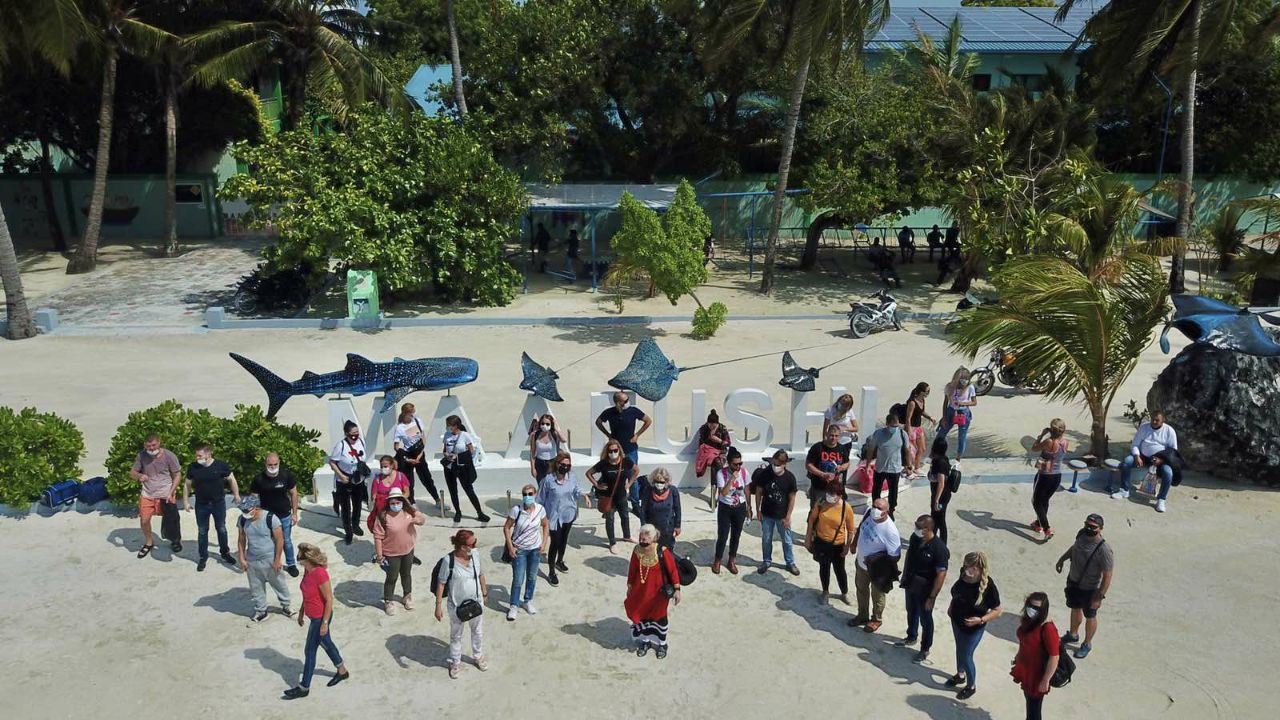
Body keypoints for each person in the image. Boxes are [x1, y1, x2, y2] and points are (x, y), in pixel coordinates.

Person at [284, 543, 349, 699]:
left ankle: (304, 687)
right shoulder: (308, 570)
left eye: (300, 558)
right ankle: (342, 671)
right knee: (327, 643)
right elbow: (307, 594)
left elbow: (329, 600)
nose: (299, 561)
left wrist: (325, 623)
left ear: (308, 559)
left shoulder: (320, 574)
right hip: (313, 616)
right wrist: (301, 612)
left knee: (310, 651)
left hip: (321, 618)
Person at [1055, 513, 1114, 660]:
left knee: (1090, 616)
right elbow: (1074, 548)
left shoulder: (1104, 550)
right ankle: (1073, 634)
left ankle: (1087, 643)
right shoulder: (1081, 535)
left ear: (1101, 529)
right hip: (1074, 582)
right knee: (1075, 608)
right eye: (1087, 525)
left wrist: (1099, 596)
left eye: (1093, 527)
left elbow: (1108, 575)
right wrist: (1063, 558)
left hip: (1091, 589)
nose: (1089, 528)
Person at [947, 551, 1002, 701]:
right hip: (957, 621)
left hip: (973, 628)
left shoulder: (988, 586)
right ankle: (960, 675)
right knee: (959, 649)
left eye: (971, 567)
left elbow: (998, 611)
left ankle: (971, 686)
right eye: (965, 565)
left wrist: (981, 620)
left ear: (980, 568)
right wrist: (951, 607)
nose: (967, 569)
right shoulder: (963, 574)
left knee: (966, 655)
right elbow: (957, 593)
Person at [434, 530, 489, 680]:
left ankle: (478, 656)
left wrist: (484, 592)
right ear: (463, 546)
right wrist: (438, 605)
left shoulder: (476, 555)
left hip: (476, 602)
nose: (475, 546)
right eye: (472, 544)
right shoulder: (448, 561)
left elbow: (481, 574)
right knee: (456, 635)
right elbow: (441, 583)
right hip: (456, 606)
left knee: (477, 631)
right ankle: (455, 661)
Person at [624, 524, 682, 659]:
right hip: (640, 592)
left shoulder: (662, 552)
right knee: (642, 615)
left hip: (658, 594)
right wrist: (630, 586)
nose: (642, 542)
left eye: (644, 539)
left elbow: (673, 571)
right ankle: (645, 642)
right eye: (640, 539)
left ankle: (662, 644)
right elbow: (632, 569)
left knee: (659, 618)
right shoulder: (637, 551)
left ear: (652, 539)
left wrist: (677, 589)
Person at [897, 515, 949, 663]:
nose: (916, 529)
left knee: (926, 619)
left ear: (929, 529)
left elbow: (941, 574)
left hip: (926, 590)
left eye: (919, 527)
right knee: (911, 610)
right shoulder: (915, 538)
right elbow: (909, 556)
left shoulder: (939, 549)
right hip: (911, 583)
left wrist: (932, 597)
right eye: (916, 526)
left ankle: (925, 649)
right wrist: (905, 575)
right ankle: (911, 636)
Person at [184, 443, 240, 571]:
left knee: (221, 528)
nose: (197, 458)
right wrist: (186, 501)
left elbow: (232, 479)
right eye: (196, 456)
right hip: (201, 505)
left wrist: (236, 494)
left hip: (218, 503)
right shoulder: (193, 467)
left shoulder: (220, 465)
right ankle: (203, 556)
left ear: (209, 454)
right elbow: (187, 485)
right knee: (202, 531)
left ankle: (225, 553)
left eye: (200, 455)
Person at [848, 498, 902, 633]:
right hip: (861, 564)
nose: (875, 510)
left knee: (877, 595)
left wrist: (875, 559)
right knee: (861, 590)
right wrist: (854, 544)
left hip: (877, 570)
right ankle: (862, 615)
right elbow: (860, 527)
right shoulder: (868, 513)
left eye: (879, 508)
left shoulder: (890, 531)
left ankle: (876, 619)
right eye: (874, 506)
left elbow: (895, 556)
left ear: (886, 512)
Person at [236, 496, 291, 623]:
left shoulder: (271, 518)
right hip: (252, 560)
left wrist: (277, 560)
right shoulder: (242, 520)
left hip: (270, 558)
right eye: (243, 511)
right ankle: (261, 611)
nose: (245, 514)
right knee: (256, 587)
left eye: (247, 511)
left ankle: (286, 606)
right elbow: (241, 539)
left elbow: (280, 539)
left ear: (256, 508)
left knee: (279, 584)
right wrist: (242, 558)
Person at [538, 451, 588, 586]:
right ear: (557, 464)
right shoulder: (548, 480)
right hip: (553, 517)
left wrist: (584, 496)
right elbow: (540, 499)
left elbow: (576, 490)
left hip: (568, 513)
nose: (565, 467)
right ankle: (551, 571)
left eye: (568, 465)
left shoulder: (572, 477)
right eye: (563, 464)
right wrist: (541, 517)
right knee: (555, 542)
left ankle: (559, 561)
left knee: (564, 539)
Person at [372, 488, 425, 616]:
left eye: (398, 502)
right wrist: (379, 555)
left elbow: (422, 519)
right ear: (389, 503)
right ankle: (388, 600)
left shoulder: (409, 511)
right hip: (391, 553)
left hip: (408, 550)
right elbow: (378, 537)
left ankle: (407, 596)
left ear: (402, 501)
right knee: (392, 577)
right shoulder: (383, 516)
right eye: (393, 503)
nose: (396, 505)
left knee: (406, 574)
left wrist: (418, 520)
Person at [1114, 411, 1178, 512]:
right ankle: (1124, 490)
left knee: (1168, 472)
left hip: (1160, 459)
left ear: (1163, 421)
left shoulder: (1169, 431)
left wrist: (1161, 460)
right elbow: (1135, 444)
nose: (1154, 422)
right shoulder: (1144, 427)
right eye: (1153, 419)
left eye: (1157, 420)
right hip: (1142, 456)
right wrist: (1136, 456)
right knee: (1126, 462)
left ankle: (1161, 499)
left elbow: (1173, 451)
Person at [131, 434, 183, 558]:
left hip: (166, 493)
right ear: (145, 445)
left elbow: (177, 475)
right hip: (148, 493)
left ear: (159, 443)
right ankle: (149, 542)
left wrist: (171, 491)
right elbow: (132, 472)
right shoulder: (141, 456)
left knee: (172, 521)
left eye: (154, 445)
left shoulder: (169, 456)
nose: (151, 448)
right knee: (144, 520)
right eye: (148, 446)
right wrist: (139, 476)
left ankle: (175, 540)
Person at [1011, 591, 1061, 720]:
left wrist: (1045, 680)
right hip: (1026, 671)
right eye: (1030, 606)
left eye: (1037, 608)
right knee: (1030, 705)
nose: (1032, 610)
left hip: (1037, 676)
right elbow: (1024, 643)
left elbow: (1054, 656)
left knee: (1034, 711)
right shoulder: (1027, 621)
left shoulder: (1048, 628)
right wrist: (1018, 658)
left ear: (1043, 610)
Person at [504, 483, 550, 621]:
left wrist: (544, 543)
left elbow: (546, 525)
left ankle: (527, 600)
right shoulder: (516, 510)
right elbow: (506, 528)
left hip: (535, 549)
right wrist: (510, 547)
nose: (527, 497)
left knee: (532, 577)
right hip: (520, 550)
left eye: (530, 494)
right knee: (518, 579)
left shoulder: (540, 509)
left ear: (535, 494)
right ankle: (513, 605)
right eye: (525, 494)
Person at [805, 481, 855, 604]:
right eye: (829, 493)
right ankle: (825, 592)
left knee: (840, 570)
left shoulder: (846, 508)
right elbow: (811, 520)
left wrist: (847, 547)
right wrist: (808, 538)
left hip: (838, 545)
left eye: (833, 494)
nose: (830, 496)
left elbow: (851, 530)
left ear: (840, 495)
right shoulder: (821, 503)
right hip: (822, 542)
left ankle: (844, 593)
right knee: (824, 568)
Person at [250, 453, 300, 577]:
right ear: (265, 464)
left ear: (279, 463)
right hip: (267, 517)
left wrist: (295, 513)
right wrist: (254, 514)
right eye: (270, 465)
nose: (272, 467)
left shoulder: (286, 475)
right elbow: (254, 498)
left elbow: (294, 493)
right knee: (269, 541)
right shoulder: (258, 479)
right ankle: (271, 563)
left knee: (286, 541)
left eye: (275, 464)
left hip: (284, 514)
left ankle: (291, 564)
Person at [586, 439, 638, 554]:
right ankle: (612, 542)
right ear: (607, 451)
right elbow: (588, 473)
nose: (613, 453)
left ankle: (627, 535)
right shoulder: (603, 463)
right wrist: (597, 485)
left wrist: (629, 484)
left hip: (621, 495)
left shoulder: (626, 461)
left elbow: (636, 470)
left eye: (615, 450)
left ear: (619, 450)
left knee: (625, 516)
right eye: (610, 451)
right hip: (607, 496)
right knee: (610, 519)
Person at [752, 449, 799, 576]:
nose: (775, 467)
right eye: (774, 463)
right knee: (766, 539)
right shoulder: (765, 474)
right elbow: (758, 492)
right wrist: (758, 510)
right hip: (767, 514)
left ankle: (790, 562)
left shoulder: (790, 478)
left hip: (782, 516)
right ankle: (766, 561)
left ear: (785, 464)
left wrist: (788, 516)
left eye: (778, 464)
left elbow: (792, 498)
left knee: (787, 540)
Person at [442, 415, 489, 523]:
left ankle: (479, 512)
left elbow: (471, 451)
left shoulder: (465, 435)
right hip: (449, 467)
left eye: (449, 425)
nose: (448, 427)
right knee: (453, 491)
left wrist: (457, 457)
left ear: (456, 426)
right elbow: (445, 449)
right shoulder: (447, 435)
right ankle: (458, 512)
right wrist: (446, 455)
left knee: (469, 490)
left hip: (462, 467)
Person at [711, 447, 751, 575]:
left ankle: (731, 560)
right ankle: (718, 560)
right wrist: (732, 479)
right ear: (729, 462)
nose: (738, 466)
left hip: (739, 508)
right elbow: (723, 492)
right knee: (722, 535)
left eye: (740, 463)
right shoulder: (721, 473)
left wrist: (749, 507)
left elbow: (747, 490)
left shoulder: (744, 472)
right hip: (725, 508)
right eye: (735, 464)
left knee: (736, 535)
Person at [328, 420, 368, 544]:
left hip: (358, 479)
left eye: (357, 432)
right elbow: (332, 462)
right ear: (346, 433)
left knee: (357, 505)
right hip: (344, 480)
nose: (355, 435)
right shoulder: (341, 446)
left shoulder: (360, 442)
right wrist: (341, 475)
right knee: (346, 507)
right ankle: (348, 531)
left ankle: (355, 525)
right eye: (353, 433)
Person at [393, 403, 440, 508]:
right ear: (406, 413)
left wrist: (421, 453)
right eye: (411, 413)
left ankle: (437, 499)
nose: (413, 415)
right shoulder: (400, 427)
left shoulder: (417, 421)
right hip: (408, 455)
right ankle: (411, 502)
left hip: (419, 453)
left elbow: (422, 437)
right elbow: (396, 446)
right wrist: (406, 458)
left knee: (426, 478)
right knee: (409, 481)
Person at [865, 412, 910, 518]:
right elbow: (871, 450)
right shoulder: (878, 434)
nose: (895, 428)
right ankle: (875, 508)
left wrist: (909, 465)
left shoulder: (902, 434)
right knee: (876, 490)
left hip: (895, 469)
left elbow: (907, 450)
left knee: (893, 493)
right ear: (887, 424)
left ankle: (891, 511)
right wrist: (867, 465)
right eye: (893, 426)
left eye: (897, 425)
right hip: (880, 468)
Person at [1030, 419, 1069, 538]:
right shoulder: (1066, 442)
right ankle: (1038, 523)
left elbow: (1034, 448)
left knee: (1036, 501)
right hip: (1057, 476)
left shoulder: (1049, 442)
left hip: (1044, 476)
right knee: (1045, 500)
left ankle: (1047, 529)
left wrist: (1041, 435)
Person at [595, 391, 651, 467]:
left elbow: (648, 421)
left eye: (628, 399)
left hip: (630, 448)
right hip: (615, 450)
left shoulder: (633, 411)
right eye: (625, 401)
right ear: (618, 402)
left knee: (632, 472)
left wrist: (637, 435)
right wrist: (608, 434)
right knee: (615, 471)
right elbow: (598, 422)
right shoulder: (609, 412)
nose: (628, 401)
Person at [936, 367, 977, 463]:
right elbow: (945, 403)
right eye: (963, 378)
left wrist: (963, 403)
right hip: (951, 411)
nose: (965, 381)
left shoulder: (970, 387)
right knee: (941, 433)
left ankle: (958, 458)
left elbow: (974, 402)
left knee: (961, 436)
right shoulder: (950, 387)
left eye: (967, 379)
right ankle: (936, 453)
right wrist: (944, 417)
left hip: (963, 412)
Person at [805, 424, 851, 506]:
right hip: (819, 487)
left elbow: (847, 463)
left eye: (836, 436)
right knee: (815, 511)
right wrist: (822, 474)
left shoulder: (842, 448)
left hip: (836, 488)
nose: (834, 438)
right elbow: (808, 465)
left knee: (833, 512)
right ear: (827, 434)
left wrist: (842, 467)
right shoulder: (817, 447)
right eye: (831, 435)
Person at [637, 467, 681, 551]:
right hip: (652, 528)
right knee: (653, 550)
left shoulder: (673, 490)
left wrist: (677, 526)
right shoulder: (648, 490)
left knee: (667, 550)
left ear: (666, 481)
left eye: (661, 482)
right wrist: (643, 526)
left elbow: (677, 509)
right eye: (656, 481)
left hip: (668, 527)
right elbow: (643, 510)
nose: (659, 484)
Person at [694, 410, 731, 508]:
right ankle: (716, 494)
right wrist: (710, 436)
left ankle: (716, 493)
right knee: (716, 464)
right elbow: (701, 442)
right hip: (708, 453)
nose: (712, 427)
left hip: (720, 453)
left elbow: (728, 443)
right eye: (710, 424)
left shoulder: (723, 429)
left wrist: (718, 440)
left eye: (714, 425)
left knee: (717, 464)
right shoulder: (704, 428)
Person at [366, 455, 411, 535]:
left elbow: (407, 493)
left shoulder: (401, 476)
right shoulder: (377, 479)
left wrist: (396, 501)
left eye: (385, 466)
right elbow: (374, 495)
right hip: (382, 512)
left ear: (392, 465)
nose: (383, 468)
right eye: (381, 466)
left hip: (396, 509)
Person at [902, 383, 935, 477]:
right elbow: (908, 418)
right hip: (911, 427)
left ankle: (917, 467)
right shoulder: (912, 402)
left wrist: (929, 417)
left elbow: (922, 412)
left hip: (918, 428)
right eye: (927, 391)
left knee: (922, 448)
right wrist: (908, 430)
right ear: (921, 391)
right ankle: (908, 468)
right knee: (910, 451)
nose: (928, 393)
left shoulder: (922, 400)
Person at [928, 437, 954, 544]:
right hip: (938, 495)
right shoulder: (939, 459)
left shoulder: (941, 462)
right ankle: (932, 540)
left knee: (940, 519)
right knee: (935, 518)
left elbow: (941, 483)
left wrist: (937, 500)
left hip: (941, 497)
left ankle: (942, 543)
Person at [528, 413, 566, 480]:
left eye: (548, 424)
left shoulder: (554, 434)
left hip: (552, 462)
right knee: (542, 485)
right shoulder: (535, 435)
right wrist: (533, 468)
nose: (544, 426)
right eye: (542, 423)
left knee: (552, 484)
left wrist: (557, 429)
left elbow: (564, 440)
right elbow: (532, 453)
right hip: (540, 463)